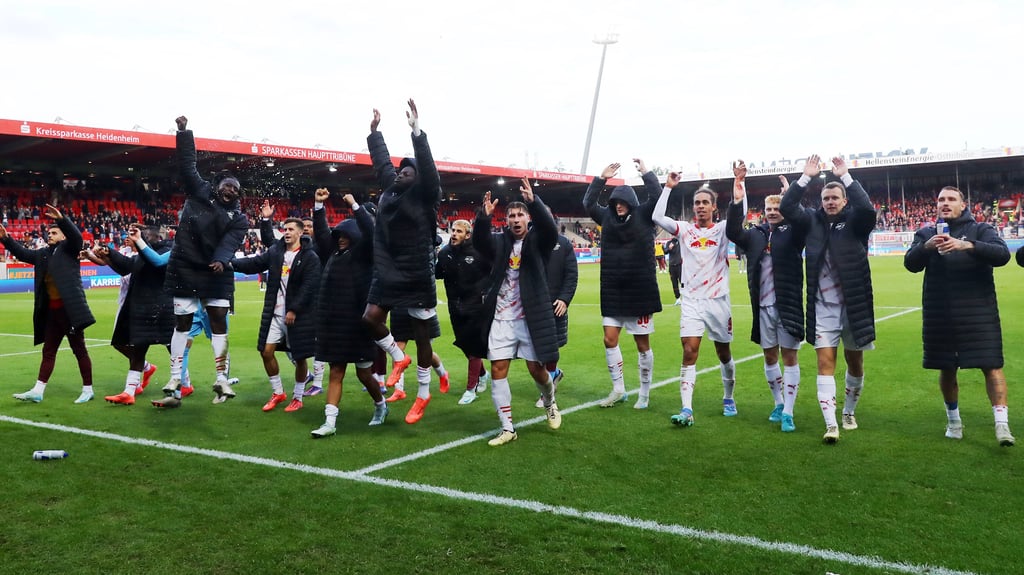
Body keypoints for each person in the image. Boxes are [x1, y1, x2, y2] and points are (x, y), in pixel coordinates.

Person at [904, 186, 1014, 446]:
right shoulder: (926, 233)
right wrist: (927, 247)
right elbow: (910, 263)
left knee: (992, 365)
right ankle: (953, 421)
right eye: (941, 199)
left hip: (979, 312)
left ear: (963, 205)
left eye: (951, 199)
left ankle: (1002, 426)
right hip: (940, 313)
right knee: (946, 367)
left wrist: (967, 245)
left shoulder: (981, 229)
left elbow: (1002, 255)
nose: (945, 203)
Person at [780, 155, 876, 444]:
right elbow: (787, 207)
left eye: (835, 197)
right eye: (826, 198)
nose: (830, 201)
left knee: (855, 363)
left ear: (844, 201)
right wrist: (805, 178)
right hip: (822, 307)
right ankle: (831, 423)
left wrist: (846, 175)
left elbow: (868, 210)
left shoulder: (856, 223)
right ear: (820, 201)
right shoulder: (810, 221)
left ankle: (848, 411)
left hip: (854, 307)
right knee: (825, 363)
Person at [155, 115, 250, 408]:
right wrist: (184, 133)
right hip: (185, 266)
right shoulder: (199, 191)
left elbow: (230, 243)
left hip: (215, 271)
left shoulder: (240, 219)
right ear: (218, 185)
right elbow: (187, 166)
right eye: (227, 185)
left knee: (219, 321)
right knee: (182, 323)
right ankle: (175, 377)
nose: (230, 190)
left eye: (235, 189)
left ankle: (221, 377)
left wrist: (222, 260)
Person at [362, 100, 443, 425]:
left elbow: (427, 166)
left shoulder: (425, 197)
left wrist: (416, 131)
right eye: (398, 170)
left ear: (418, 179)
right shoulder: (390, 192)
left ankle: (423, 394)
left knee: (423, 336)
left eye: (407, 172)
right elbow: (383, 164)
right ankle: (398, 357)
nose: (399, 173)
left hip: (418, 274)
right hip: (388, 270)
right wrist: (374, 133)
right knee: (369, 318)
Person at [473, 179, 561, 446]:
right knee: (498, 368)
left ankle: (550, 402)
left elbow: (550, 230)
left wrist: (535, 201)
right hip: (501, 318)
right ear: (507, 220)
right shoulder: (500, 243)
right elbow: (479, 241)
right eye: (511, 215)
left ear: (527, 218)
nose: (515, 219)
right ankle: (507, 428)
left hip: (529, 318)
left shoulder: (538, 241)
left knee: (537, 370)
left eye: (520, 214)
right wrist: (483, 218)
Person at [654, 170, 744, 427]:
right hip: (692, 300)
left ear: (714, 207)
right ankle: (686, 408)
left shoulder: (723, 229)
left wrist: (740, 186)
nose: (700, 206)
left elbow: (741, 215)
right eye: (697, 203)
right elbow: (657, 217)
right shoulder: (684, 230)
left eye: (705, 202)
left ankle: (728, 397)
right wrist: (668, 187)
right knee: (689, 350)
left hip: (718, 301)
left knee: (723, 352)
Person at [726, 169, 806, 432]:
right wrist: (737, 199)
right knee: (770, 356)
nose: (772, 211)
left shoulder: (794, 233)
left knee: (790, 357)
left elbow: (803, 221)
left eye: (777, 207)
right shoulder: (755, 235)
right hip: (762, 308)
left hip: (788, 306)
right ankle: (778, 403)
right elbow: (733, 231)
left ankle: (790, 412)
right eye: (769, 208)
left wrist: (791, 196)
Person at [309, 189, 388, 437]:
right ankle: (330, 423)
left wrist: (355, 206)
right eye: (339, 235)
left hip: (357, 325)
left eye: (345, 235)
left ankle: (381, 405)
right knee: (336, 371)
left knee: (364, 373)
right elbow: (322, 234)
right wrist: (318, 206)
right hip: (334, 325)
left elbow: (373, 233)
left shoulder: (364, 255)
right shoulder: (332, 254)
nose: (340, 238)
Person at [585, 160, 663, 409]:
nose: (618, 206)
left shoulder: (645, 214)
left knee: (642, 347)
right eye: (615, 202)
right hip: (612, 290)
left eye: (622, 202)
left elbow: (658, 195)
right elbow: (587, 204)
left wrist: (646, 173)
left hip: (639, 290)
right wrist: (601, 179)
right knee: (609, 340)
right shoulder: (606, 216)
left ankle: (645, 392)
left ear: (631, 203)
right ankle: (618, 389)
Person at [1, 204, 96, 404]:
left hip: (70, 311)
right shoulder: (43, 253)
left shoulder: (70, 249)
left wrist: (63, 219)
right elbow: (22, 254)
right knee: (48, 351)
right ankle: (38, 390)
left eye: (54, 232)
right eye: (49, 232)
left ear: (63, 236)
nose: (49, 235)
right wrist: (6, 239)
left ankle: (88, 389)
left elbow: (77, 237)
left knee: (79, 350)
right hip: (52, 314)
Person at [230, 217, 321, 413]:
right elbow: (254, 263)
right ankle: (278, 392)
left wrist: (294, 309)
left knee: (300, 356)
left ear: (299, 233)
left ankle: (297, 397)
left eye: (290, 229)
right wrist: (230, 263)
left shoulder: (309, 257)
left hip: (298, 316)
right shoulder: (276, 252)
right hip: (275, 312)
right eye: (284, 229)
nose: (286, 232)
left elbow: (309, 287)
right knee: (266, 351)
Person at [96, 225, 175, 405]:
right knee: (138, 350)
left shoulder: (166, 252)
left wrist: (138, 242)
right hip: (143, 310)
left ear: (154, 238)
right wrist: (108, 252)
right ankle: (129, 391)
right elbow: (127, 266)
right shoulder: (141, 255)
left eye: (143, 236)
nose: (137, 238)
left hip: (163, 310)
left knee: (174, 350)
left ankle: (183, 384)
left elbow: (156, 263)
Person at [435, 218, 492, 405]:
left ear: (468, 235)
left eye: (459, 231)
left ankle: (470, 389)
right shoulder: (444, 254)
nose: (454, 234)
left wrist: (486, 293)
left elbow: (493, 273)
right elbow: (437, 274)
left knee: (474, 347)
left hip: (476, 306)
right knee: (466, 347)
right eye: (453, 230)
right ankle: (483, 375)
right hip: (455, 307)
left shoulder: (479, 252)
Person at [535, 218, 578, 408]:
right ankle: (554, 375)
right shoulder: (531, 242)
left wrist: (564, 298)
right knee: (536, 351)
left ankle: (548, 392)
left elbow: (571, 274)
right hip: (534, 304)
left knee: (551, 349)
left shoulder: (564, 244)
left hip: (555, 303)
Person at [665, 237, 682, 305]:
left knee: (682, 282)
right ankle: (677, 298)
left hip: (679, 265)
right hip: (672, 266)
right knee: (674, 283)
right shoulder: (669, 243)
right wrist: (669, 248)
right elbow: (665, 251)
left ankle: (686, 297)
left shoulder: (680, 242)